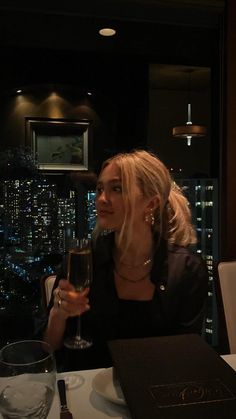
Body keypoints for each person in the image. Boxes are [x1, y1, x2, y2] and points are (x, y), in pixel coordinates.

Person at [36, 149, 208, 371]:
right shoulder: (84, 259)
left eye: (116, 189)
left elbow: (185, 353)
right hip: (88, 393)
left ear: (151, 203)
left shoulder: (187, 270)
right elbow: (48, 349)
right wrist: (58, 314)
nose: (101, 199)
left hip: (154, 390)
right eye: (99, 189)